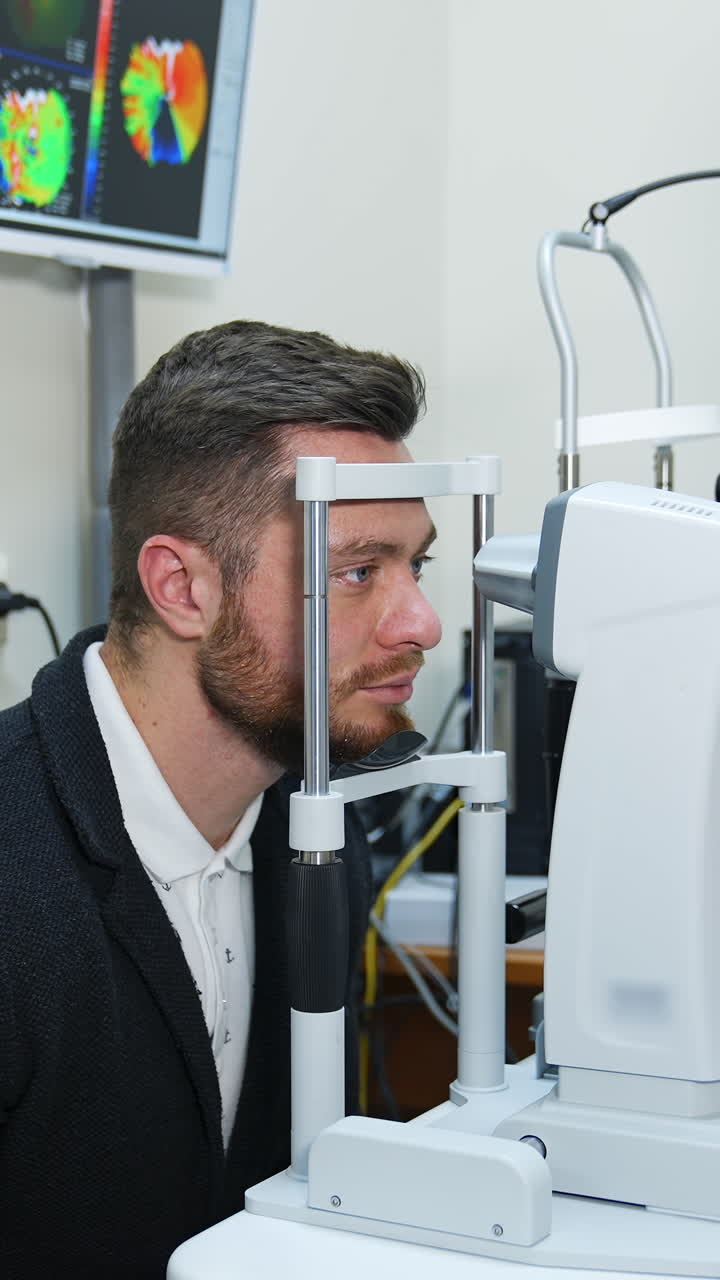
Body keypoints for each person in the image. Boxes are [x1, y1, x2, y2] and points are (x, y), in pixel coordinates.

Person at [0, 319, 441, 1278]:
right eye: (358, 572)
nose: (422, 623)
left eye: (419, 567)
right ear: (182, 587)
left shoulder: (314, 835)